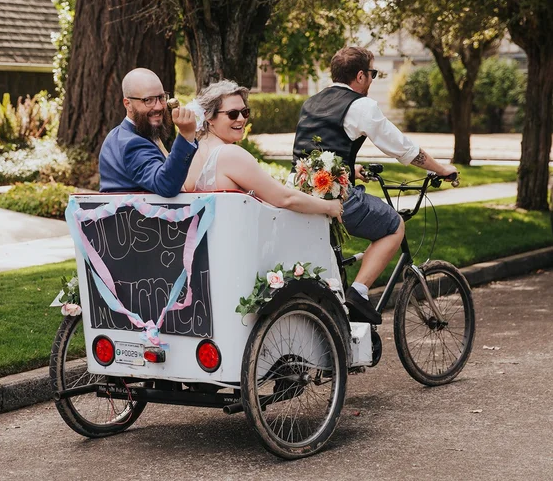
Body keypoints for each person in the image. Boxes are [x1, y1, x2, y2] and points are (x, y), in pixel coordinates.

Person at [292, 46, 457, 325]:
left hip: (302, 194)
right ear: (359, 76)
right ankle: (358, 293)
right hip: (337, 200)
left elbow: (316, 149)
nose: (372, 80)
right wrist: (442, 169)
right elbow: (402, 148)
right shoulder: (360, 105)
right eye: (373, 73)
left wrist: (351, 168)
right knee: (393, 225)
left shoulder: (313, 102)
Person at [183, 79, 342, 219]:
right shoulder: (229, 154)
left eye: (245, 112)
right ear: (209, 117)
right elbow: (285, 199)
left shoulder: (190, 150)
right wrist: (330, 207)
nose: (241, 119)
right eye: (232, 114)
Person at [99, 68, 198, 197]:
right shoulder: (132, 143)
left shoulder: (119, 134)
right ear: (128, 104)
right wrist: (186, 136)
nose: (158, 107)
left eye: (161, 98)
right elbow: (166, 185)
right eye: (148, 100)